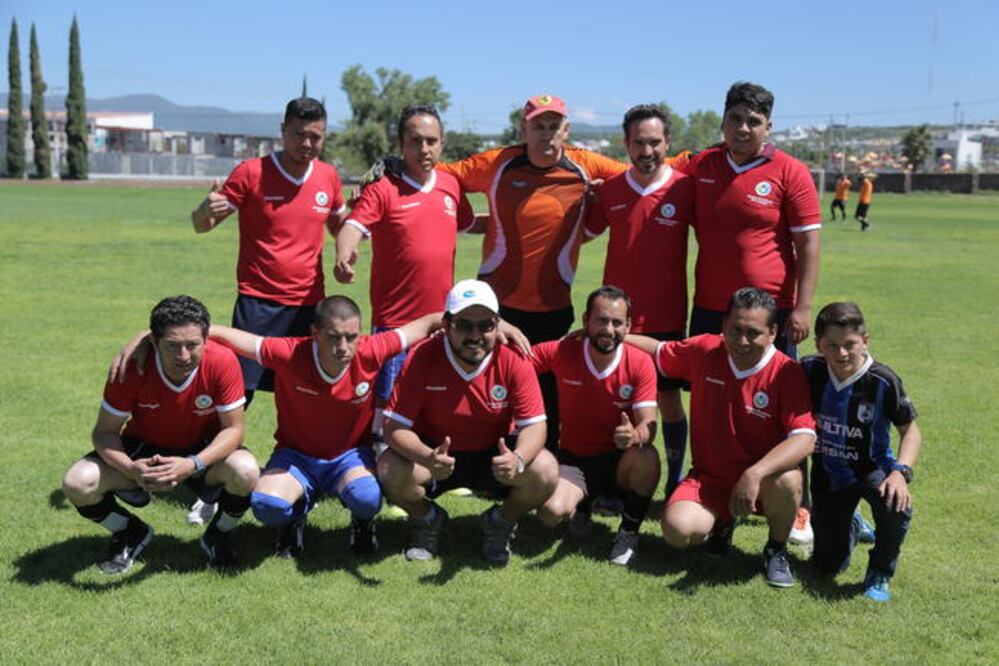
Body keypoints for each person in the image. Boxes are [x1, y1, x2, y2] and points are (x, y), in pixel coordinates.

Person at [437, 95, 632, 450]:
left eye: (554, 126)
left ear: (567, 130)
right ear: (523, 130)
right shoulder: (498, 162)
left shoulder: (585, 165)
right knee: (488, 387)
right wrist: (464, 219)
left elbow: (641, 173)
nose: (546, 134)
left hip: (553, 305)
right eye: (538, 126)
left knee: (546, 394)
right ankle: (479, 460)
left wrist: (694, 163)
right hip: (498, 305)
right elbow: (442, 174)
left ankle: (545, 462)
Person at [679, 81, 822, 544]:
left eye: (753, 121)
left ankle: (798, 506)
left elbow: (808, 244)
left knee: (784, 410)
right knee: (713, 407)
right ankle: (715, 500)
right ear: (722, 121)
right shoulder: (702, 165)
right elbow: (651, 171)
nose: (743, 128)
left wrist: (801, 306)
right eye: (735, 119)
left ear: (768, 126)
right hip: (711, 310)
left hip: (770, 314)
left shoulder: (790, 172)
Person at [205, 296, 448, 558]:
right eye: (333, 337)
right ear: (315, 333)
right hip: (296, 456)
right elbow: (234, 338)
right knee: (267, 506)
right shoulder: (289, 352)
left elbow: (426, 324)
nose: (344, 347)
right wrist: (168, 333)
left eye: (351, 337)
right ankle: (294, 517)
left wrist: (489, 325)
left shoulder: (372, 349)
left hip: (350, 457)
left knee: (367, 499)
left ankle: (362, 522)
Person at [625, 288, 816, 587]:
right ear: (724, 325)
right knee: (677, 531)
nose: (741, 341)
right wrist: (609, 334)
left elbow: (805, 438)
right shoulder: (705, 350)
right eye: (735, 329)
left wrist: (755, 474)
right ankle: (722, 524)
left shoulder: (787, 373)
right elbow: (658, 351)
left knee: (788, 480)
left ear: (772, 333)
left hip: (764, 484)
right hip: (710, 480)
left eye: (753, 333)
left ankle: (776, 550)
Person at [62, 296, 259, 573]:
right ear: (153, 342)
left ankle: (219, 535)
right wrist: (130, 469)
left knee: (246, 471)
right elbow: (104, 432)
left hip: (202, 451)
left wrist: (193, 464)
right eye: (172, 346)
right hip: (143, 448)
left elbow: (234, 430)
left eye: (193, 345)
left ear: (206, 338)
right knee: (77, 482)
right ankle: (130, 531)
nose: (183, 356)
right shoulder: (131, 366)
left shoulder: (222, 361)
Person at [377, 280, 559, 565]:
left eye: (485, 325)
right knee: (389, 468)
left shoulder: (513, 359)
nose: (475, 335)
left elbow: (535, 425)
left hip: (493, 456)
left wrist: (519, 460)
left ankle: (500, 522)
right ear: (447, 323)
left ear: (497, 325)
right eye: (464, 325)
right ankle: (427, 520)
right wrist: (426, 456)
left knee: (546, 470)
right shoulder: (423, 355)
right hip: (437, 454)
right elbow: (393, 426)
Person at [190, 97, 347, 405]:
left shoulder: (328, 176)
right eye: (298, 134)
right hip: (258, 303)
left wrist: (350, 241)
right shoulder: (251, 172)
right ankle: (215, 452)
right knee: (236, 395)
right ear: (283, 130)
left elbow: (340, 226)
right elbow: (202, 225)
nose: (306, 143)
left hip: (308, 304)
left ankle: (296, 454)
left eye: (315, 136)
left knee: (304, 395)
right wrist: (204, 207)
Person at [335, 105, 475, 438]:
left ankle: (429, 466)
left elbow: (470, 224)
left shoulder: (450, 186)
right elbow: (352, 226)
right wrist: (344, 254)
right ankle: (381, 459)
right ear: (402, 144)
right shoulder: (383, 188)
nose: (424, 150)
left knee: (434, 400)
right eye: (415, 141)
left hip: (441, 322)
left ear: (442, 144)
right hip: (394, 324)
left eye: (431, 141)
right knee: (387, 406)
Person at [585, 104, 694, 498]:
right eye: (638, 143)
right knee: (617, 398)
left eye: (654, 142)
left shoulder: (685, 189)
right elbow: (582, 232)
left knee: (667, 399)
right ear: (626, 145)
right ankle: (618, 480)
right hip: (616, 319)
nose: (646, 151)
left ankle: (675, 480)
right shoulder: (610, 191)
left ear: (668, 143)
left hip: (665, 315)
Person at [802, 302, 921, 601]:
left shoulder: (882, 380)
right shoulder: (809, 370)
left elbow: (911, 431)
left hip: (874, 470)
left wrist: (900, 472)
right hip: (829, 475)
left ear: (865, 341)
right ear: (819, 345)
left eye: (850, 345)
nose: (842, 354)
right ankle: (852, 522)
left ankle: (880, 570)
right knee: (827, 566)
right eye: (832, 345)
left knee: (897, 506)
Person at [534, 287, 660, 566]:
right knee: (550, 514)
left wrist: (634, 434)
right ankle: (582, 506)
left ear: (628, 325)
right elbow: (516, 363)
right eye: (601, 320)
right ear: (585, 320)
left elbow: (649, 425)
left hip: (620, 463)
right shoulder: (562, 351)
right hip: (576, 461)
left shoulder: (640, 363)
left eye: (617, 322)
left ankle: (628, 533)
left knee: (647, 456)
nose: (609, 329)